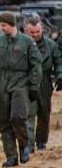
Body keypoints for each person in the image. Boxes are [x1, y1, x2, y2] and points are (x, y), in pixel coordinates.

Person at [0, 11, 41, 167]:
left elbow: (35, 65)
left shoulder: (27, 42)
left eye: (3, 25)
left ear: (11, 24)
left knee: (18, 117)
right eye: (0, 25)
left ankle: (24, 147)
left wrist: (34, 86)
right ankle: (11, 156)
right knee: (3, 122)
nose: (1, 28)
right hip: (2, 84)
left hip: (21, 84)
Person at [23, 15, 62, 151]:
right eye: (31, 32)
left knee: (44, 113)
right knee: (29, 113)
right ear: (26, 31)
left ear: (42, 30)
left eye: (37, 32)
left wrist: (60, 75)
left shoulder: (51, 45)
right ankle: (28, 144)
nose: (35, 35)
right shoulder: (21, 45)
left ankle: (41, 142)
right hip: (27, 81)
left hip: (45, 81)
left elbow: (58, 61)